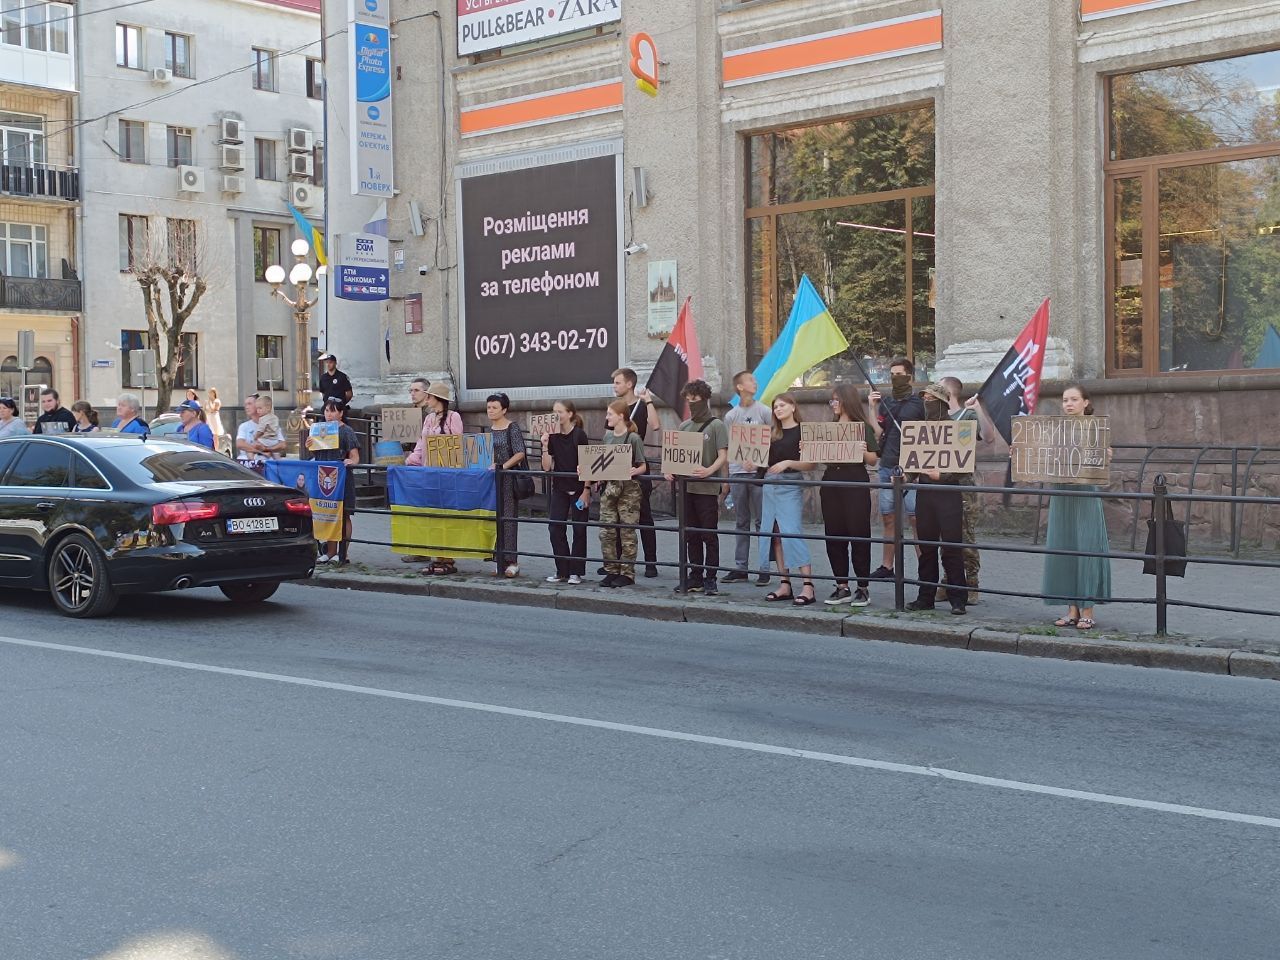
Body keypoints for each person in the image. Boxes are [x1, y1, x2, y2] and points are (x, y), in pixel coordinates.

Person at [1042, 384, 1112, 631]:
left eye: (1073, 399)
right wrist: (1022, 454)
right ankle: (1072, 609)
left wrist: (1106, 455)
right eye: (1065, 400)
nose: (1068, 404)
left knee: (1087, 546)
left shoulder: (1096, 428)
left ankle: (1088, 609)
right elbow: (1042, 456)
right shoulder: (1055, 429)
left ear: (1085, 402)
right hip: (1062, 493)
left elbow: (1101, 460)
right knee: (1065, 546)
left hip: (1085, 493)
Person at [906, 383, 968, 615]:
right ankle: (925, 597)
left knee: (952, 548)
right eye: (924, 399)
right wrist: (905, 476)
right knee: (926, 548)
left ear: (941, 402)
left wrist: (942, 475)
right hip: (925, 493)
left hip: (948, 493)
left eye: (931, 400)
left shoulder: (958, 429)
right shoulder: (919, 431)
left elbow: (965, 466)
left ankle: (958, 599)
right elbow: (913, 463)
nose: (926, 403)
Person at [667, 379, 728, 596]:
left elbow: (723, 455)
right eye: (688, 400)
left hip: (707, 489)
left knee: (708, 534)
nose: (691, 403)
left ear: (704, 399)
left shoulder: (717, 425)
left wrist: (709, 471)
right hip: (687, 488)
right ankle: (695, 576)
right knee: (690, 535)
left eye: (695, 399)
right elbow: (676, 456)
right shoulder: (684, 426)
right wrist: (670, 470)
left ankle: (711, 577)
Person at [821, 384, 880, 607]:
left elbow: (873, 459)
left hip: (854, 479)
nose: (833, 404)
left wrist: (861, 449)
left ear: (847, 401)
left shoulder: (862, 427)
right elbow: (819, 456)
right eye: (832, 400)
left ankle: (862, 587)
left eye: (836, 400)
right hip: (831, 481)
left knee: (859, 533)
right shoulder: (829, 427)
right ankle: (841, 585)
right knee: (834, 534)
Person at [867, 358, 925, 579]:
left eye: (899, 374)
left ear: (909, 376)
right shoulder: (887, 402)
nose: (895, 378)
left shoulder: (919, 403)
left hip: (912, 467)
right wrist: (872, 407)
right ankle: (887, 566)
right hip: (887, 465)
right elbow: (878, 431)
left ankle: (924, 568)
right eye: (892, 374)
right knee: (888, 518)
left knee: (916, 519)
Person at [757, 392, 817, 606]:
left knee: (791, 532)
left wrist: (788, 462)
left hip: (790, 484)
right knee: (775, 535)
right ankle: (785, 583)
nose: (778, 409)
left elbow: (811, 464)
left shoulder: (803, 431)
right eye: (775, 407)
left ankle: (808, 586)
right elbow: (764, 462)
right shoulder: (772, 433)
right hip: (770, 485)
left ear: (793, 407)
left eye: (782, 405)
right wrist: (753, 463)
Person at [722, 371, 772, 586]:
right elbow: (727, 447)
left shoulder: (765, 411)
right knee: (741, 521)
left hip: (759, 474)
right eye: (751, 380)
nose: (755, 383)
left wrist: (760, 464)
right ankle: (741, 567)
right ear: (740, 387)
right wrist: (726, 479)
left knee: (762, 522)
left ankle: (764, 568)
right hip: (737, 472)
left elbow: (772, 440)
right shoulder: (731, 416)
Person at [940, 376, 986, 604]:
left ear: (948, 393)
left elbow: (985, 437)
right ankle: (948, 579)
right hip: (940, 484)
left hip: (963, 485)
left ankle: (971, 582)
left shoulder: (966, 416)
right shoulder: (935, 419)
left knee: (965, 535)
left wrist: (977, 410)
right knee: (944, 537)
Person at [410, 382, 463, 576]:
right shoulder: (429, 418)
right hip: (430, 472)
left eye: (430, 396)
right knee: (432, 515)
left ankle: (447, 558)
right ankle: (437, 556)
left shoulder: (453, 417)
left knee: (446, 515)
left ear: (438, 399)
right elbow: (421, 443)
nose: (427, 399)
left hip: (447, 473)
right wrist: (411, 460)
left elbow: (457, 443)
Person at [611, 368, 660, 578]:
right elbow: (609, 436)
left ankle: (651, 562)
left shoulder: (640, 406)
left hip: (637, 464)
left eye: (618, 382)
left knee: (644, 516)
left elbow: (655, 425)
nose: (614, 386)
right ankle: (618, 561)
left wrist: (648, 401)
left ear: (629, 384)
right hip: (617, 465)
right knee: (617, 517)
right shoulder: (615, 408)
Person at [598, 399, 648, 588]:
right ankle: (611, 570)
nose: (607, 417)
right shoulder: (608, 437)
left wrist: (635, 470)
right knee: (606, 531)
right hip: (610, 488)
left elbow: (643, 465)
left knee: (627, 532)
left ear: (621, 416)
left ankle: (627, 573)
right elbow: (601, 463)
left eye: (610, 414)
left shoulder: (633, 438)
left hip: (629, 490)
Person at [305, 397, 360, 565]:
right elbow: (317, 454)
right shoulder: (319, 429)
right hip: (323, 477)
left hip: (341, 478)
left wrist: (351, 461)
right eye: (327, 410)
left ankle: (343, 553)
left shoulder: (346, 431)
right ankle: (330, 552)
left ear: (341, 413)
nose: (329, 414)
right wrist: (310, 445)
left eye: (333, 411)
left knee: (344, 514)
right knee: (328, 514)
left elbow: (355, 456)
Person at [541, 400, 590, 584]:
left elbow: (588, 464)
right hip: (560, 488)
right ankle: (562, 570)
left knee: (579, 529)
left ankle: (576, 572)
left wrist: (586, 490)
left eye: (560, 412)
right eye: (554, 412)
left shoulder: (579, 435)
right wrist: (544, 445)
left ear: (570, 414)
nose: (556, 415)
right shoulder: (553, 436)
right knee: (555, 528)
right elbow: (547, 467)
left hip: (578, 488)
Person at [487, 392, 526, 578]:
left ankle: (512, 561)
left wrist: (503, 466)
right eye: (488, 407)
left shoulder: (512, 427)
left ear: (504, 410)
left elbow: (520, 453)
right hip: (492, 479)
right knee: (495, 518)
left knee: (508, 518)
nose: (490, 410)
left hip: (508, 478)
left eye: (494, 407)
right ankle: (498, 559)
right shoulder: (488, 431)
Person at [235, 394, 283, 471]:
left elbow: (282, 444)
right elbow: (240, 444)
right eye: (245, 404)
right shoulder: (244, 426)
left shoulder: (271, 424)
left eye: (249, 404)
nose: (246, 407)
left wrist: (267, 449)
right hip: (247, 463)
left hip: (268, 461)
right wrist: (261, 451)